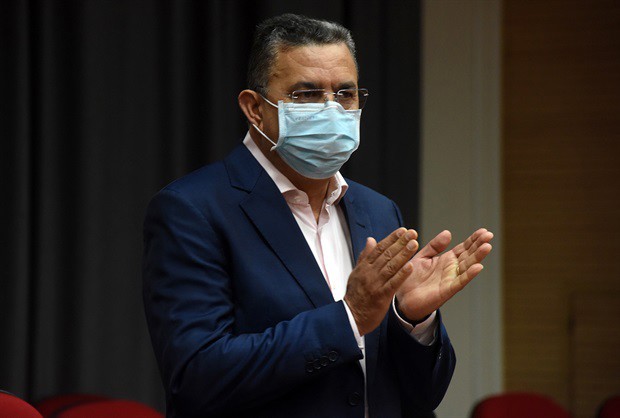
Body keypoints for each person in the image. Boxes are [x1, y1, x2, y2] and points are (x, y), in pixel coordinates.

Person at [142, 13, 493, 418]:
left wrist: (411, 319)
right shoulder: (192, 209)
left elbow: (421, 397)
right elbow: (197, 378)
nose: (331, 109)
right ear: (254, 108)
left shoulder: (378, 210)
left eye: (345, 93)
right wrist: (349, 317)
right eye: (307, 94)